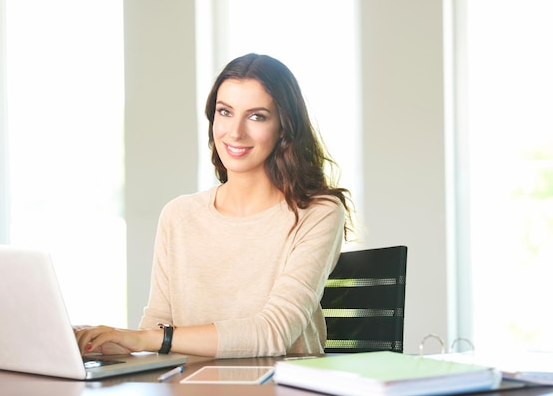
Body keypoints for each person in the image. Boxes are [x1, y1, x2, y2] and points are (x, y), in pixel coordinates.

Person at [75, 53, 354, 358]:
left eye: (257, 116)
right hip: (187, 388)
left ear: (284, 128)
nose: (235, 132)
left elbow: (274, 333)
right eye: (225, 112)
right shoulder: (179, 215)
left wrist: (147, 339)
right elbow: (154, 331)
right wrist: (100, 342)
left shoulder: (318, 212)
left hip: (279, 387)